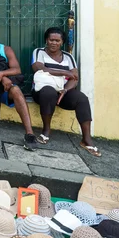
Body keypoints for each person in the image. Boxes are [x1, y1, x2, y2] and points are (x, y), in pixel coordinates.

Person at [31, 27, 101, 157]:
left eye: (57, 40)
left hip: (62, 91)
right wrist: (64, 72)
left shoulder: (68, 57)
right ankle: (46, 130)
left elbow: (74, 78)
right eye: (51, 40)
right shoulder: (39, 52)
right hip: (42, 92)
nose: (54, 43)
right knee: (49, 92)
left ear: (62, 42)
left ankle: (86, 139)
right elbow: (39, 68)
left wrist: (65, 90)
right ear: (46, 40)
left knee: (82, 99)